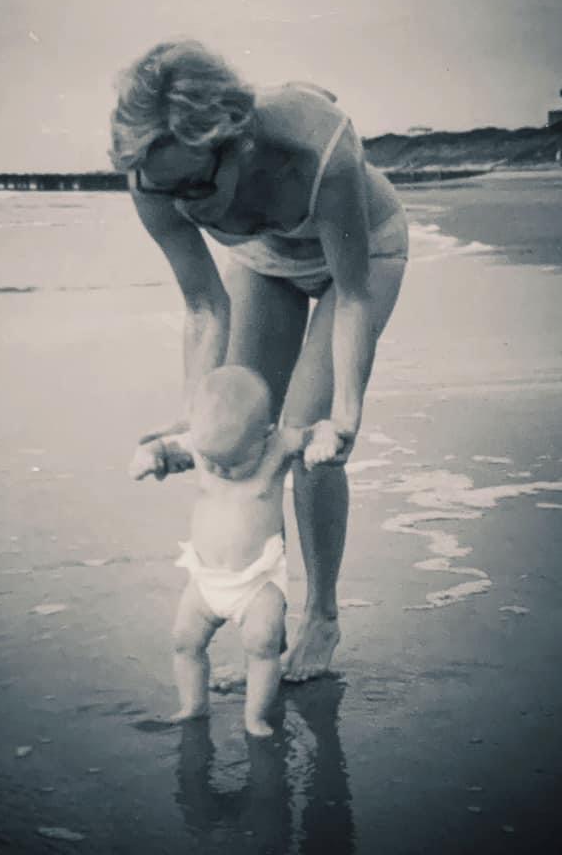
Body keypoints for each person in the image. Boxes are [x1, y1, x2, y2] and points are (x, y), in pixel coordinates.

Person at [110, 38, 409, 682]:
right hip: (267, 260)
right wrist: (195, 423)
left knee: (308, 431)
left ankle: (322, 616)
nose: (184, 205)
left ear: (237, 142)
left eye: (195, 185)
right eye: (169, 192)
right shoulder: (153, 178)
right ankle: (250, 607)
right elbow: (203, 308)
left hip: (362, 260)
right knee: (238, 434)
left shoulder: (317, 148)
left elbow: (353, 297)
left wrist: (347, 417)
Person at [129, 365, 337, 736]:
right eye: (211, 462)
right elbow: (163, 445)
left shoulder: (279, 446)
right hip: (204, 578)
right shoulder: (202, 440)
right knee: (184, 641)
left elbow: (320, 429)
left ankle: (255, 715)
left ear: (266, 435)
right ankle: (192, 705)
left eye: (233, 462)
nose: (219, 471)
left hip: (257, 583)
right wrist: (148, 456)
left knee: (262, 646)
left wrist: (324, 441)